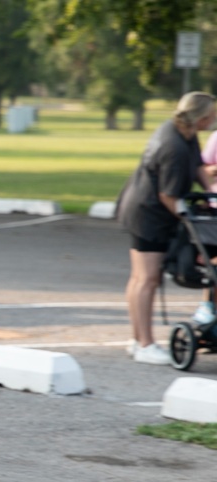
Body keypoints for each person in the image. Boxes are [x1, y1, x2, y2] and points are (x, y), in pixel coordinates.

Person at [116, 91, 216, 365]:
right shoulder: (173, 146)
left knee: (141, 278)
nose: (214, 120)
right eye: (212, 115)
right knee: (146, 279)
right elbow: (168, 196)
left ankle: (137, 340)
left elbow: (197, 166)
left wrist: (211, 192)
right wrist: (186, 218)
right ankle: (145, 344)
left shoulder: (184, 131)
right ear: (202, 117)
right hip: (148, 214)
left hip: (144, 207)